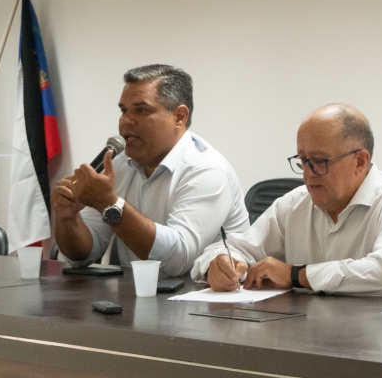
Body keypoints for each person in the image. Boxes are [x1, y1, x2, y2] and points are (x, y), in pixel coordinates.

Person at [192, 104, 382, 296]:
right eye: (303, 160)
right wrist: (220, 265)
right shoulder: (294, 204)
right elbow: (232, 248)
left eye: (319, 161)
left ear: (359, 161)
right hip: (304, 331)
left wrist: (296, 275)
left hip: (379, 335)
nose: (307, 173)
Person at [51, 64, 249, 277]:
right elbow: (83, 254)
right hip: (137, 293)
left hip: (202, 294)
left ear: (179, 117)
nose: (126, 120)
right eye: (124, 111)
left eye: (141, 110)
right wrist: (68, 219)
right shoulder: (119, 164)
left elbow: (177, 261)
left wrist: (110, 204)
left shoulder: (206, 170)